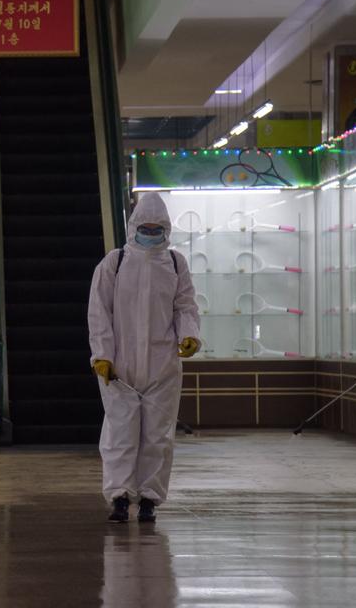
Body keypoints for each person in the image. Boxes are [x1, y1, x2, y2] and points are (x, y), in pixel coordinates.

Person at [88, 193, 201, 523]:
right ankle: (120, 496)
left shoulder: (176, 263)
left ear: (166, 229)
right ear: (134, 226)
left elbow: (185, 307)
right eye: (145, 227)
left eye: (157, 228)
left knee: (158, 435)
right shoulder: (114, 262)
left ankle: (150, 498)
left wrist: (189, 335)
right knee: (120, 434)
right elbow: (99, 312)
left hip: (162, 364)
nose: (150, 233)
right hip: (119, 366)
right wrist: (102, 355)